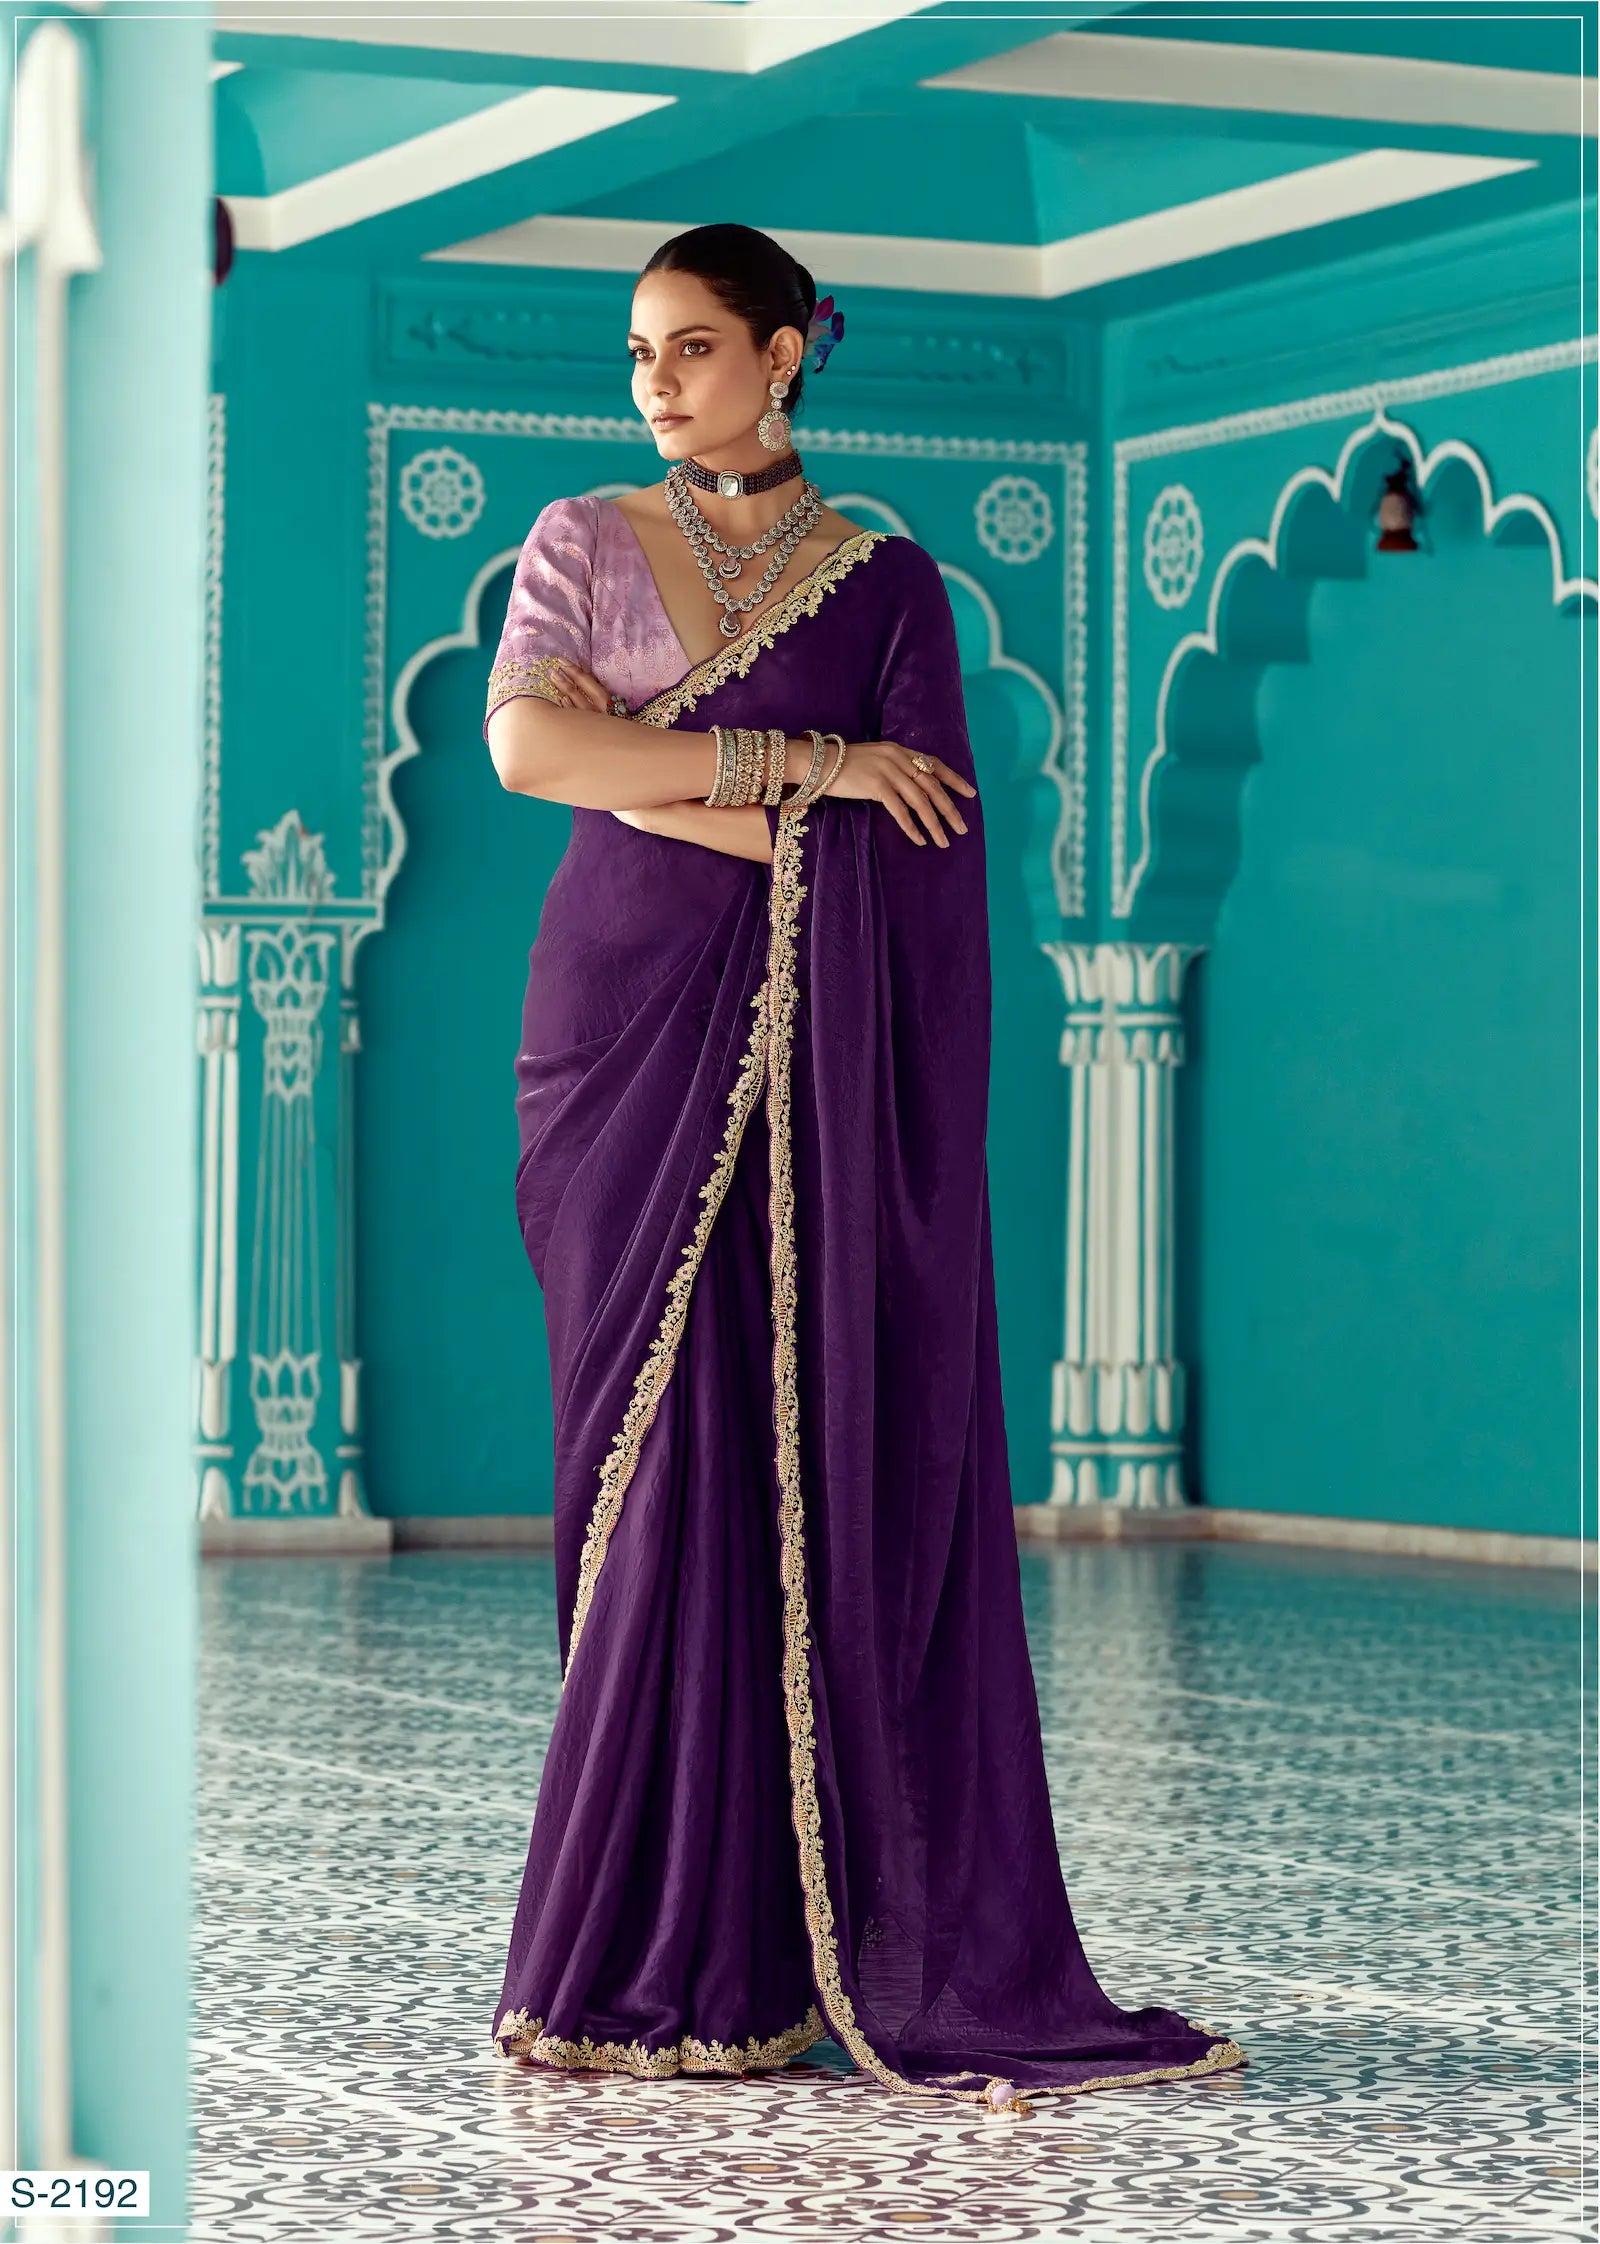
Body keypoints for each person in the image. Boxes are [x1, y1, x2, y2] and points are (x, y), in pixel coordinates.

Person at [481, 222, 1245, 2118]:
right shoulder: (584, 539)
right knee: (648, 1463)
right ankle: (636, 1946)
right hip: (618, 1036)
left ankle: (774, 1946)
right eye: (640, 352)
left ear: (783, 355)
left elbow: (927, 843)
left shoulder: (887, 582)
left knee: (782, 1457)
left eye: (692, 348)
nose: (657, 383)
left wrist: (692, 778)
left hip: (809, 1058)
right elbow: (529, 749)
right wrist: (794, 771)